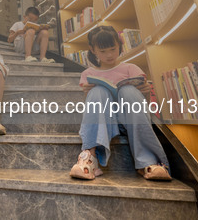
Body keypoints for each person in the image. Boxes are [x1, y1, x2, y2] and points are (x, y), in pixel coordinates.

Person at [70, 25, 171, 181]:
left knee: (128, 91)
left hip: (129, 121)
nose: (109, 55)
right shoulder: (88, 74)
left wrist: (144, 92)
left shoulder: (132, 68)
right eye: (103, 51)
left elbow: (144, 109)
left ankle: (148, 161)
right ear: (93, 49)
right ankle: (89, 157)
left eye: (113, 49)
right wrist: (88, 94)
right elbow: (91, 113)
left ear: (120, 45)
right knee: (98, 92)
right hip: (104, 125)